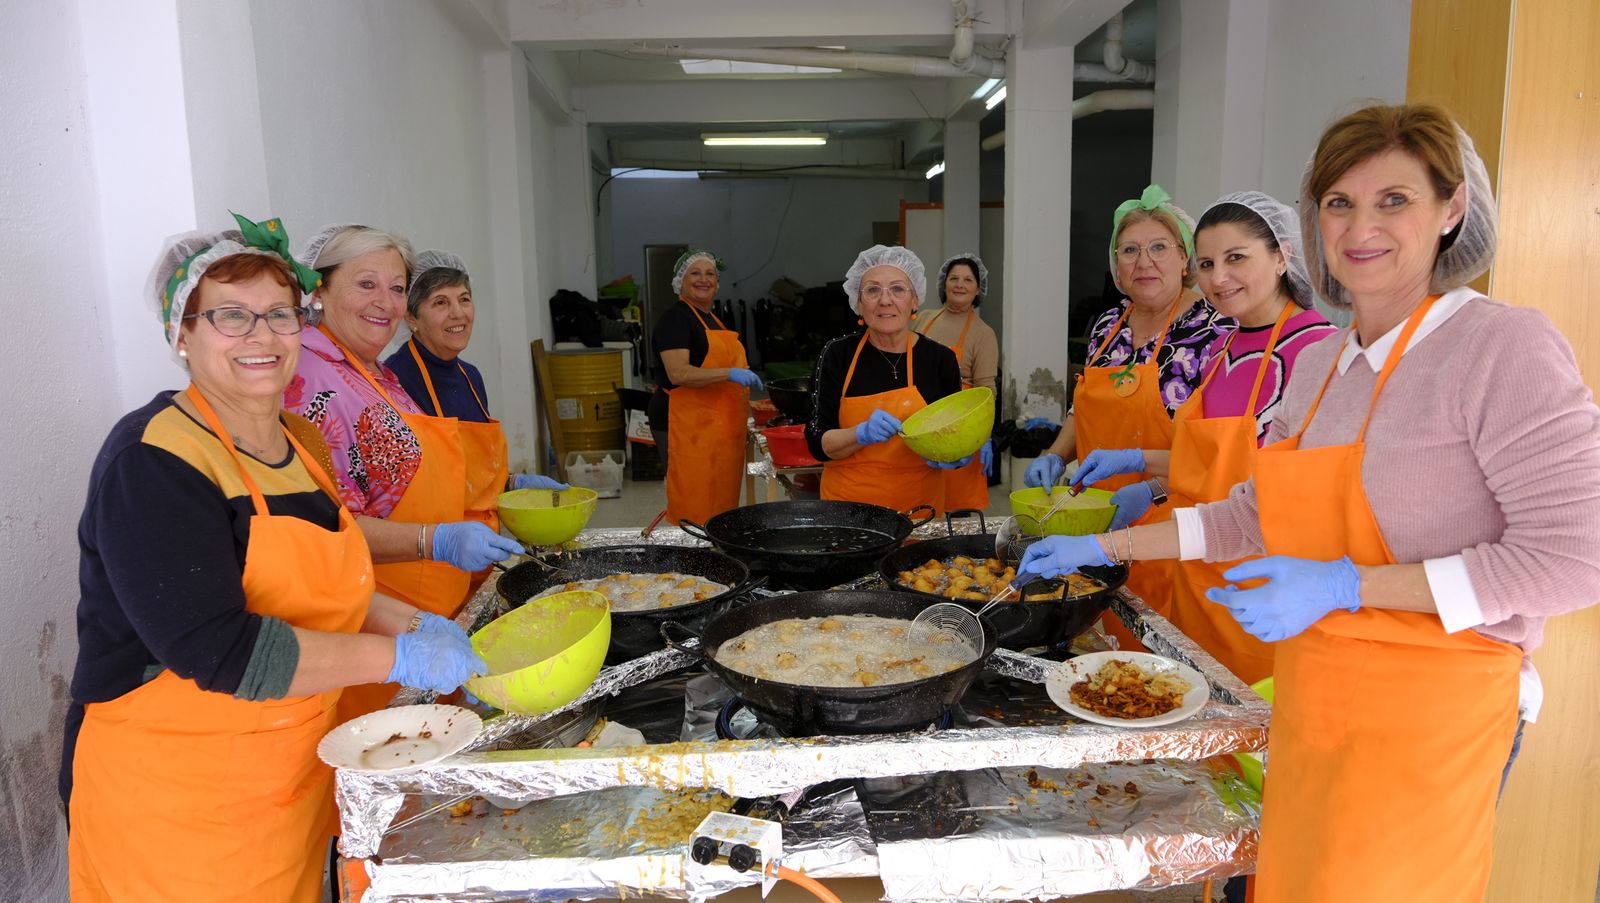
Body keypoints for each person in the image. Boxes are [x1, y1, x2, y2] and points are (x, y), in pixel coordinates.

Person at [1014, 104, 1600, 902]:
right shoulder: (1329, 364)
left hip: (1435, 714)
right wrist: (1102, 550)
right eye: (1339, 202)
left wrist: (1346, 586)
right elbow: (1248, 513)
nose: (1362, 226)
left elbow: (1574, 559)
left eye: (1394, 199)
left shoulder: (1501, 346)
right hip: (1316, 693)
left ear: (1452, 208)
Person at [65, 215, 485, 902]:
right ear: (182, 333)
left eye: (279, 314)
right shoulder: (153, 460)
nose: (261, 336)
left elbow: (333, 577)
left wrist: (412, 624)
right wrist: (397, 659)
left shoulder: (298, 441)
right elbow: (224, 651)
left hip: (284, 786)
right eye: (232, 316)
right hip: (175, 811)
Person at [1066, 192, 1335, 683]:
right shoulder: (1224, 347)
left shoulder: (1317, 353)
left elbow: (1305, 500)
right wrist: (1141, 467)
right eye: (1208, 262)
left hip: (1264, 592)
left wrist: (1119, 529)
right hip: (1197, 573)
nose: (1218, 277)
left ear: (1282, 256)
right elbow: (1205, 464)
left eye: (1237, 258)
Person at [286, 225, 519, 720]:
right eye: (366, 284)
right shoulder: (311, 380)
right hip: (377, 622)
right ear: (318, 290)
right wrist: (435, 541)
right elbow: (328, 531)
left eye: (396, 287)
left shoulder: (375, 373)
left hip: (422, 609)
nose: (386, 302)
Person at [1025, 184, 1234, 630]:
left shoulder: (1217, 330)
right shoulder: (1108, 324)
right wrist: (1055, 454)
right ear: (1116, 268)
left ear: (1186, 258)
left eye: (1159, 247)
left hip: (1174, 526)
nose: (1144, 262)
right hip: (1096, 519)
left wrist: (1153, 491)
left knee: (1153, 652)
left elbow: (1223, 454)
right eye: (1130, 250)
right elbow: (1082, 408)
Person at [384, 248, 567, 522]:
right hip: (429, 549)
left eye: (464, 299)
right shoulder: (394, 382)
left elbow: (471, 470)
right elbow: (403, 485)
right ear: (411, 318)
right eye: (440, 303)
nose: (458, 313)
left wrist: (509, 482)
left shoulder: (470, 376)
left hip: (479, 548)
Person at [805, 245, 965, 512]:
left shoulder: (941, 360)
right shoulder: (837, 355)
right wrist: (859, 434)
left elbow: (954, 436)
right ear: (858, 302)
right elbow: (817, 442)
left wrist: (959, 453)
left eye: (898, 289)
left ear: (915, 300)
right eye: (872, 290)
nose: (885, 300)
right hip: (850, 512)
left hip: (919, 513)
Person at [647, 248, 761, 524]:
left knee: (719, 501)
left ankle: (715, 555)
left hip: (718, 426)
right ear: (680, 282)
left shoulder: (713, 318)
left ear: (717, 283)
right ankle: (691, 558)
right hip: (685, 423)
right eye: (694, 273)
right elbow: (679, 373)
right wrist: (730, 374)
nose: (703, 279)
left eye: (710, 274)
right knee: (692, 498)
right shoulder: (675, 319)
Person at [917, 252, 1000, 511]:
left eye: (967, 280)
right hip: (919, 418)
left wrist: (983, 435)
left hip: (960, 427)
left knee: (956, 509)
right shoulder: (923, 318)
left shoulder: (983, 333)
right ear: (944, 284)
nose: (959, 285)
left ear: (978, 289)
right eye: (954, 278)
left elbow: (986, 390)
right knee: (920, 501)